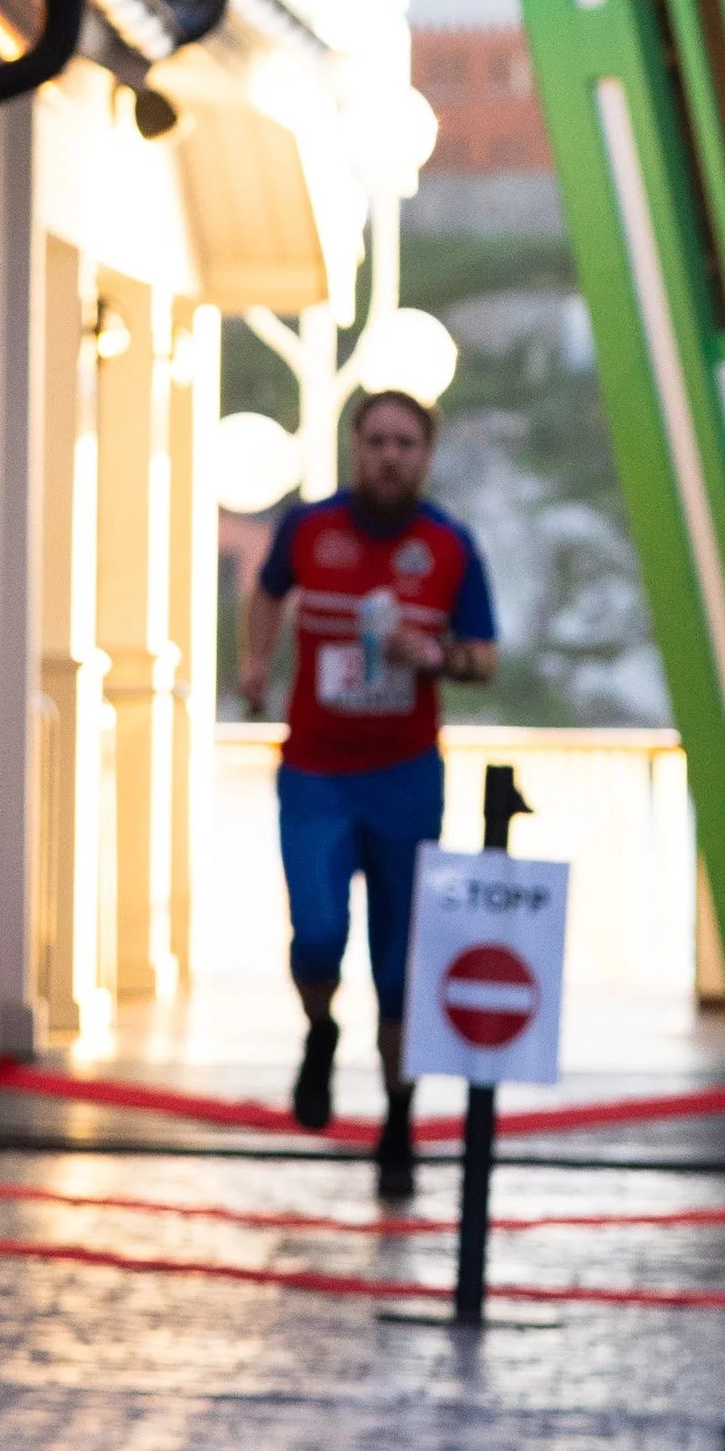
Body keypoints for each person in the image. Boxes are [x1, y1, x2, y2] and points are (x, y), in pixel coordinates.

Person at [236, 388, 497, 1199]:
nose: (390, 455)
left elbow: (484, 658)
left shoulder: (450, 546)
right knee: (316, 931)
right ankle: (319, 1031)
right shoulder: (311, 528)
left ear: (426, 453)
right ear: (355, 446)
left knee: (398, 962)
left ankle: (397, 1115)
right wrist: (255, 662)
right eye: (377, 440)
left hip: (406, 778)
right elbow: (268, 589)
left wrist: (432, 654)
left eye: (406, 442)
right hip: (315, 771)